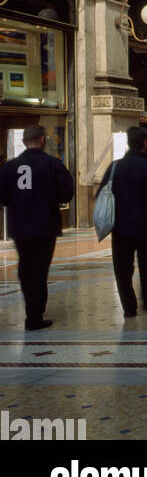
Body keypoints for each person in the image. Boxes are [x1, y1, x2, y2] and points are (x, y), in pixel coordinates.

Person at [0, 124, 74, 331]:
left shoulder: (10, 166)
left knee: (26, 267)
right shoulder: (53, 164)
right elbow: (67, 192)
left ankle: (31, 310)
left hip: (19, 225)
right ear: (42, 139)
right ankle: (35, 314)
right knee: (40, 269)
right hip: (45, 225)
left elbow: (3, 196)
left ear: (24, 142)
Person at [98, 125, 147, 319]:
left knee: (122, 268)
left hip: (121, 228)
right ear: (144, 144)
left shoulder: (115, 167)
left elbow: (102, 194)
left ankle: (129, 307)